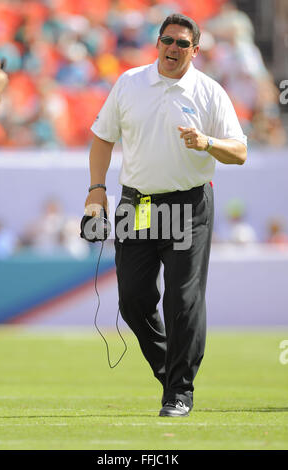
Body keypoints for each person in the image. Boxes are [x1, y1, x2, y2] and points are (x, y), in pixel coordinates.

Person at [84, 13, 247, 418]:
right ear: (158, 43)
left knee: (183, 300)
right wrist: (96, 191)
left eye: (181, 43)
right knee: (133, 302)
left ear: (195, 50)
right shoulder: (129, 83)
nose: (172, 48)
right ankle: (169, 373)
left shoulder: (209, 92)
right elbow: (103, 137)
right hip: (135, 204)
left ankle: (179, 389)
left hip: (188, 205)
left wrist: (208, 142)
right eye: (166, 40)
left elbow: (240, 152)